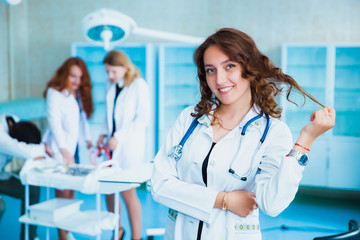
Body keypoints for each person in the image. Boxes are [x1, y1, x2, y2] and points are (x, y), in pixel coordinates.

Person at [151, 28, 336, 240]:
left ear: (249, 68)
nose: (219, 79)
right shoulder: (189, 119)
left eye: (229, 66)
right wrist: (224, 200)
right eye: (210, 70)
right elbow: (159, 185)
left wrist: (306, 139)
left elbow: (272, 204)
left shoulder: (273, 132)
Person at [96, 50, 151, 240]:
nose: (110, 75)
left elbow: (142, 119)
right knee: (108, 190)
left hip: (128, 147)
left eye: (113, 71)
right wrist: (102, 133)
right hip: (110, 146)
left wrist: (118, 137)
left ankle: (136, 237)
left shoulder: (138, 85)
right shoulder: (111, 84)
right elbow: (108, 114)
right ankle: (117, 231)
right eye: (107, 72)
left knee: (128, 192)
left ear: (125, 68)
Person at [42, 57, 94, 240]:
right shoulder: (54, 92)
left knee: (71, 190)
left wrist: (87, 139)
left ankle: (66, 229)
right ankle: (62, 235)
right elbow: (54, 122)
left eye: (80, 78)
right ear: (65, 73)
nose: (76, 81)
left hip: (76, 148)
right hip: (60, 148)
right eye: (73, 76)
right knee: (62, 192)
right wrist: (63, 150)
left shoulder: (76, 94)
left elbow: (81, 121)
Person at [0, 114, 49, 240]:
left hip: (1, 176)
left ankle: (30, 237)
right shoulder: (1, 135)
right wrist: (43, 147)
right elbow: (28, 152)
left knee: (32, 189)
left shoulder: (12, 120)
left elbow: (28, 147)